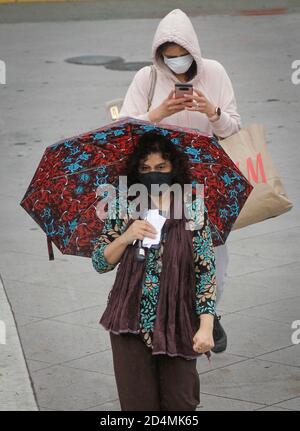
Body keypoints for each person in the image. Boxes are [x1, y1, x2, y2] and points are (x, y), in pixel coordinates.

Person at [119, 8, 242, 309]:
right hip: (159, 181)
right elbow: (124, 130)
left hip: (203, 181)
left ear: (193, 52)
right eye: (169, 55)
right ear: (160, 55)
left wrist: (211, 111)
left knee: (212, 255)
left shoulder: (215, 73)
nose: (177, 61)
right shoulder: (146, 78)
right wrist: (158, 113)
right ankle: (165, 315)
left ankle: (209, 316)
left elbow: (233, 129)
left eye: (182, 54)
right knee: (159, 252)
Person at [91, 132, 217, 411]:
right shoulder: (124, 205)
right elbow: (100, 262)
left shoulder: (192, 206)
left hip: (178, 319)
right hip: (129, 320)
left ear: (174, 168)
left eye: (161, 168)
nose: (153, 174)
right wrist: (125, 236)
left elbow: (205, 269)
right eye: (145, 168)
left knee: (181, 403)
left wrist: (206, 326)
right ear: (136, 171)